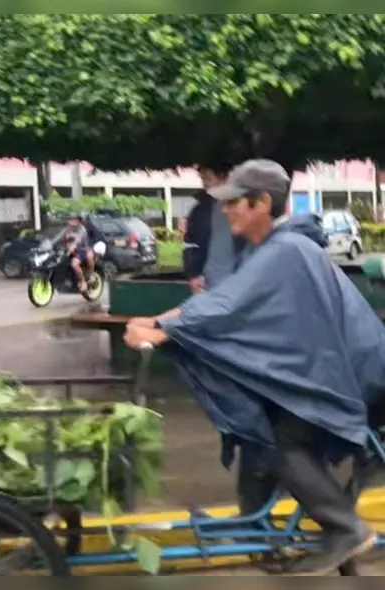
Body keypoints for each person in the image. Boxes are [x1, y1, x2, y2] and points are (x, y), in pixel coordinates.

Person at [124, 159, 385, 576]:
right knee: (257, 434)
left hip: (357, 376)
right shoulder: (272, 251)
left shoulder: (285, 251)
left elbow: (225, 307)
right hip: (340, 369)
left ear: (261, 203)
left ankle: (345, 528)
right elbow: (224, 300)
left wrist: (164, 331)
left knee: (282, 446)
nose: (224, 211)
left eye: (234, 203)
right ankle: (267, 536)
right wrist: (157, 323)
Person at [183, 166, 245, 294]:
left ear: (223, 178)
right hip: (209, 285)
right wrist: (194, 275)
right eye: (202, 178)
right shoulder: (200, 210)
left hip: (240, 284)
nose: (204, 184)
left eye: (208, 178)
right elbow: (190, 244)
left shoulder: (244, 207)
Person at [63, 214, 92, 292]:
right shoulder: (68, 229)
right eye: (70, 219)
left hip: (81, 250)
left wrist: (72, 247)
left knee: (74, 264)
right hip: (70, 250)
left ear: (78, 221)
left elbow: (77, 241)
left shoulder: (82, 229)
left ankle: (83, 282)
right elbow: (61, 238)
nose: (71, 221)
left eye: (74, 220)